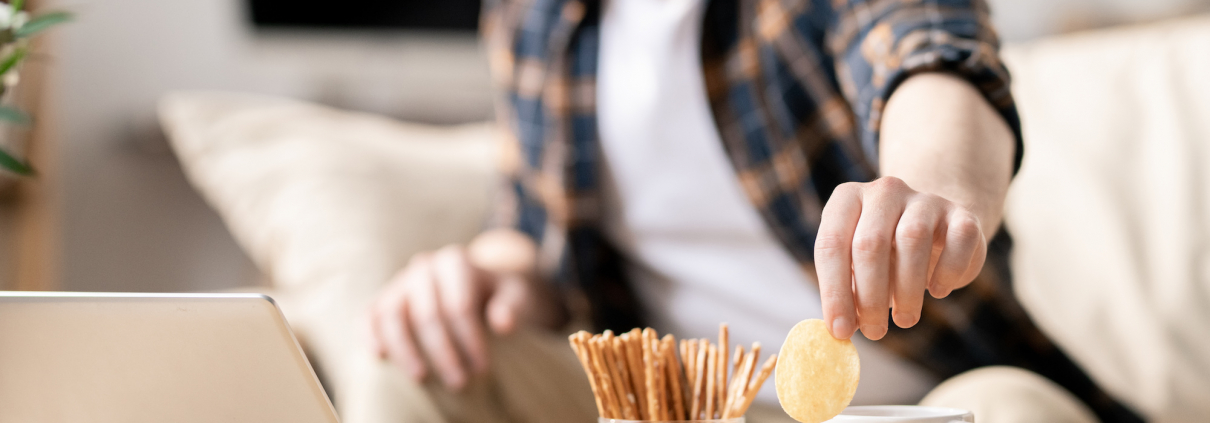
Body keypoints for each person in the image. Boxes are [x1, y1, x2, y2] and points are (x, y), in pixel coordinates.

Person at [368, 0, 1144, 422]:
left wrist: (928, 187)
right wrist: (481, 276)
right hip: (678, 405)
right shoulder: (531, 15)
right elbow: (535, 237)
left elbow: (928, 51)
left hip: (919, 401)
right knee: (422, 369)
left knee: (1010, 412)